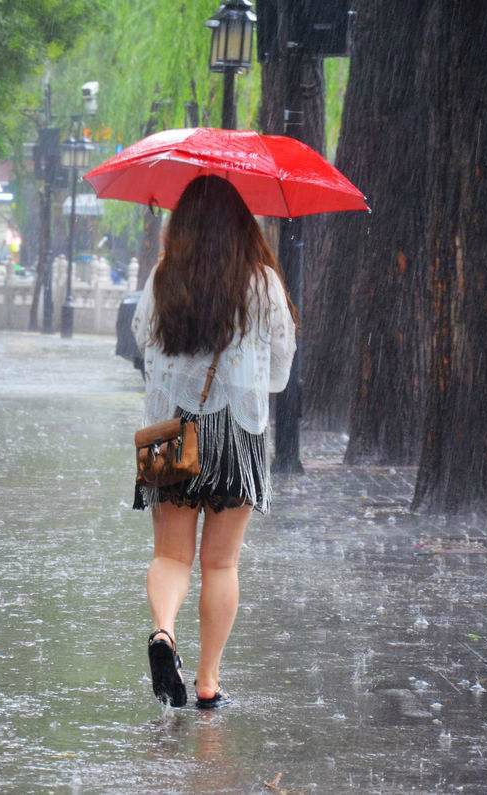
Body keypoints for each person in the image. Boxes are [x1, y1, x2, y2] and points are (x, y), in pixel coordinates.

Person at [130, 175, 297, 710]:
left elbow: (141, 342)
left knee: (170, 555)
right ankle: (207, 681)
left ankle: (163, 633)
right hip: (237, 430)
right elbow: (280, 368)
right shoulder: (262, 283)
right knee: (220, 565)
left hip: (167, 429)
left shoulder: (163, 278)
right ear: (239, 225)